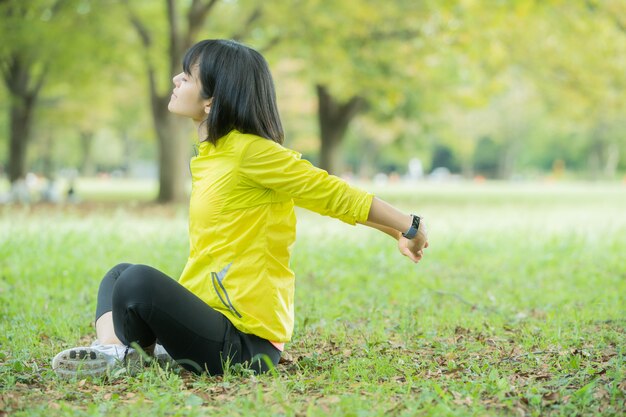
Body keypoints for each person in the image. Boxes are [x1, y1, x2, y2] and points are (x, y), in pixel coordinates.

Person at [52, 39, 429, 378]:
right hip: (210, 320)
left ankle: (122, 355)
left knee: (138, 282)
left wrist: (408, 227)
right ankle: (117, 354)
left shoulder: (251, 151)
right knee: (120, 275)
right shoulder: (213, 155)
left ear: (212, 99)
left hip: (246, 344)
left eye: (187, 76)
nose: (175, 80)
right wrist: (396, 232)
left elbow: (331, 194)